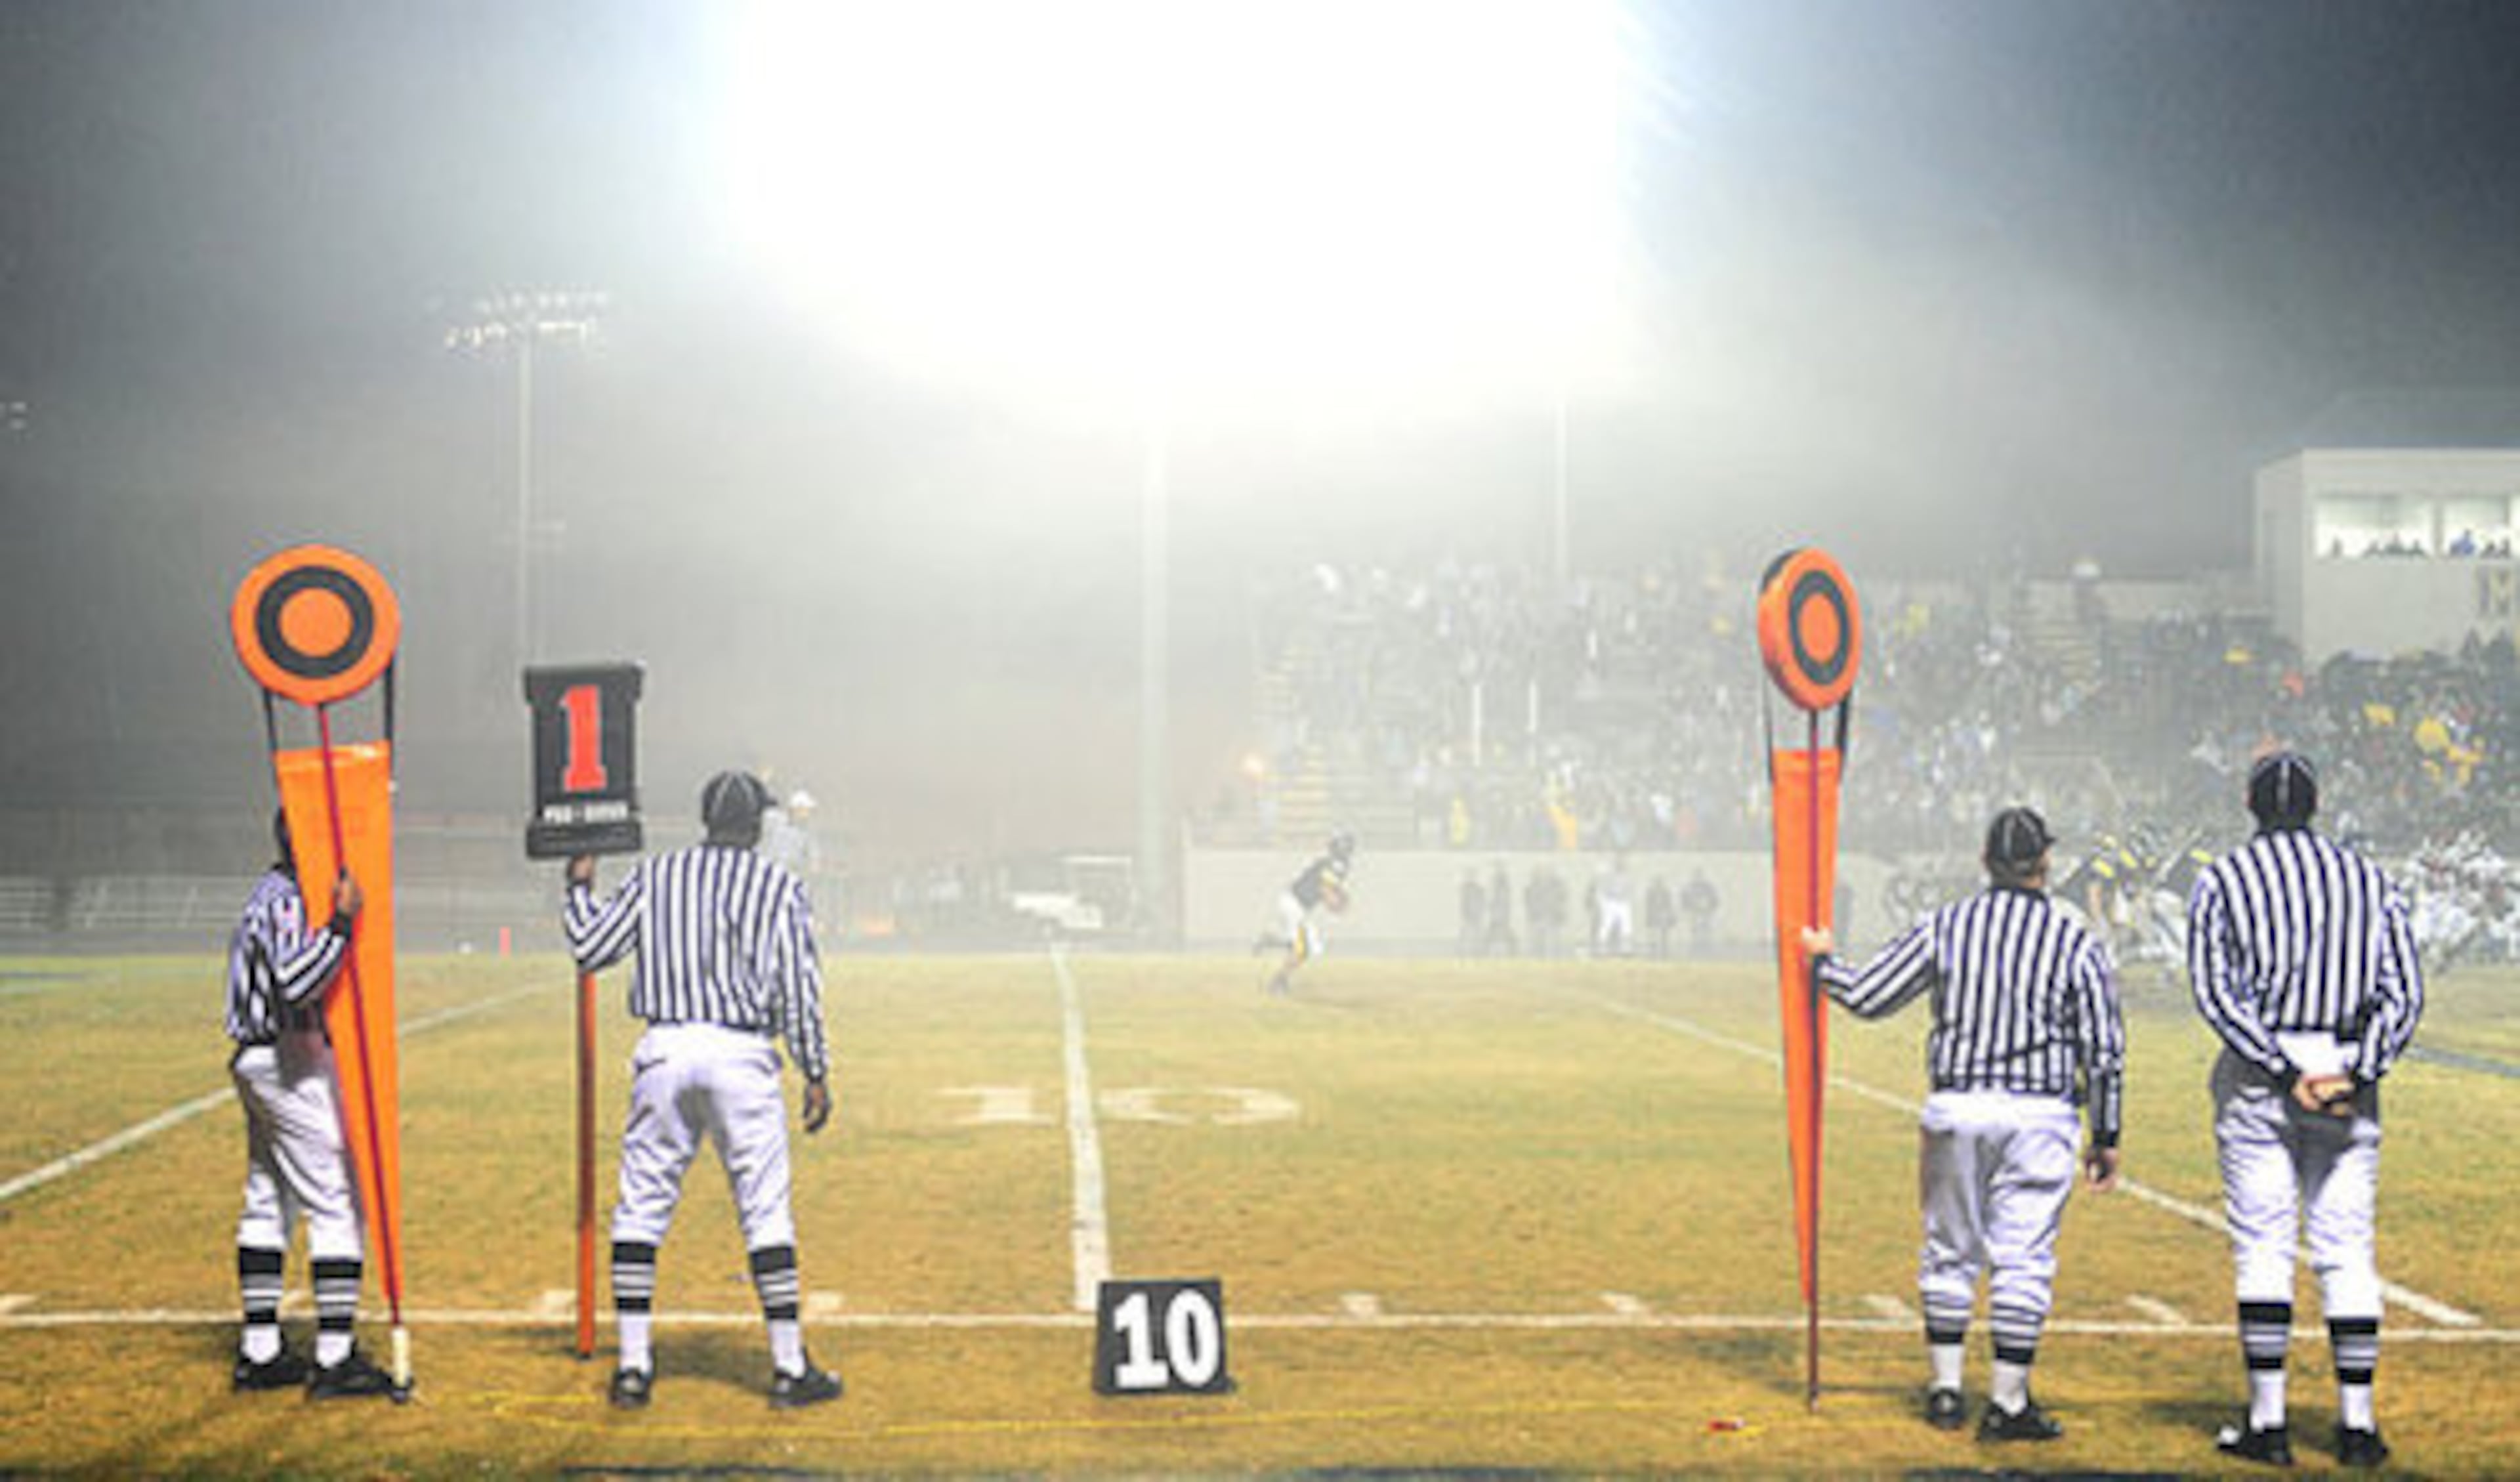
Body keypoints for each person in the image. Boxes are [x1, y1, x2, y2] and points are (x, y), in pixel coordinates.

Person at [1801, 806, 2124, 1444]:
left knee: (1949, 1247)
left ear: (1985, 860)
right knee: (2023, 1257)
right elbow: (2104, 1046)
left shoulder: (1947, 925)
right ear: (2046, 862)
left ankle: (1946, 1390)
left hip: (1958, 1105)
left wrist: (1820, 965)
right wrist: (2107, 1133)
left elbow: (1868, 995)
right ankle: (2007, 1401)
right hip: (2039, 1112)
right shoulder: (2075, 937)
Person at [566, 769, 841, 1410]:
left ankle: (633, 1366)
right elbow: (798, 986)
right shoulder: (779, 885)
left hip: (664, 1047)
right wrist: (816, 1069)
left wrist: (578, 887)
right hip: (742, 1052)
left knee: (641, 1205)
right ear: (757, 825)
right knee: (764, 1207)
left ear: (705, 818)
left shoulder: (655, 875)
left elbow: (591, 946)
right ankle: (788, 1365)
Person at [2187, 752, 2424, 1470]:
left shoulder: (2223, 876)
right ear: (2318, 802)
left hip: (2264, 1077)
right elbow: (2405, 990)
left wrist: (2283, 1065)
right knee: (2347, 1245)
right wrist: (2356, 1067)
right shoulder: (2370, 877)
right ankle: (2357, 1424)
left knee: (2263, 1241)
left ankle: (2270, 1420)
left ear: (2249, 803)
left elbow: (2213, 988)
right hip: (2347, 1067)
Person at [225, 809, 402, 1399]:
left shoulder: (272, 892)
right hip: (286, 1056)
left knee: (268, 1197)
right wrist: (342, 926)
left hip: (267, 1057)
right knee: (337, 1199)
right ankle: (333, 1357)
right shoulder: (286, 899)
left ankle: (260, 1351)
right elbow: (298, 982)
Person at [1259, 832, 1354, 995]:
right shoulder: (1335, 864)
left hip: (1293, 903)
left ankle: (1273, 941)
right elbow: (1325, 889)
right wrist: (1337, 905)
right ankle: (1278, 982)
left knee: (1313, 947)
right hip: (1295, 905)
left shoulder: (1328, 861)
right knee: (1304, 949)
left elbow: (1324, 887)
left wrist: (1336, 901)